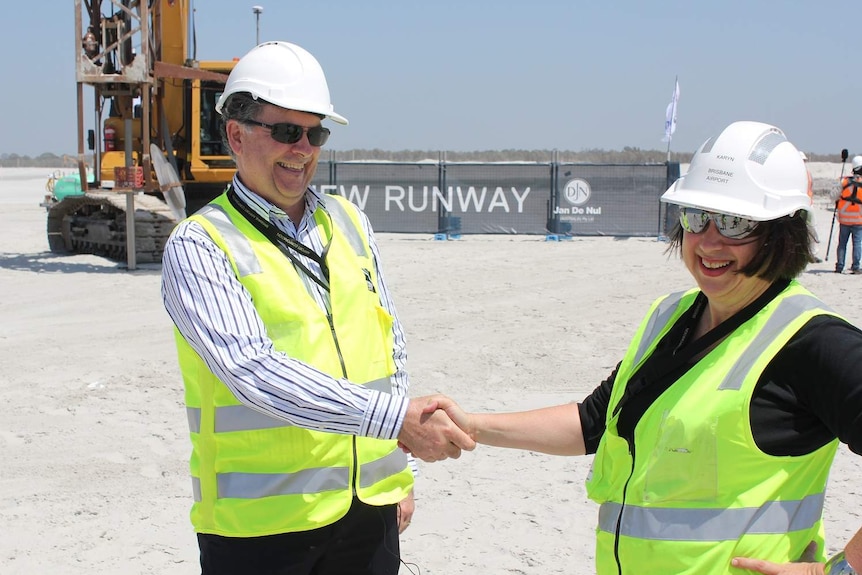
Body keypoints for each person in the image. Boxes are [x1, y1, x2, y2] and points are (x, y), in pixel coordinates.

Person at [420, 121, 862, 575]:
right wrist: (473, 425)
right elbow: (594, 421)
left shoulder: (811, 341)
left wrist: (838, 571)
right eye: (697, 216)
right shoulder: (672, 316)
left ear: (781, 232)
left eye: (735, 223)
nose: (709, 241)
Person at [160, 41, 474, 575]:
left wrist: (397, 476)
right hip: (261, 532)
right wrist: (396, 421)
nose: (303, 148)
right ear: (236, 135)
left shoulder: (349, 222)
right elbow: (252, 372)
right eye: (286, 131)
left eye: (315, 133)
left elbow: (387, 347)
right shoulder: (200, 244)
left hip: (368, 511)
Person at [833, 155, 862, 274]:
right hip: (859, 220)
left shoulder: (843, 181)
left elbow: (833, 196)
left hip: (844, 220)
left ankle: (840, 266)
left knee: (842, 243)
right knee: (857, 243)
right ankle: (856, 266)